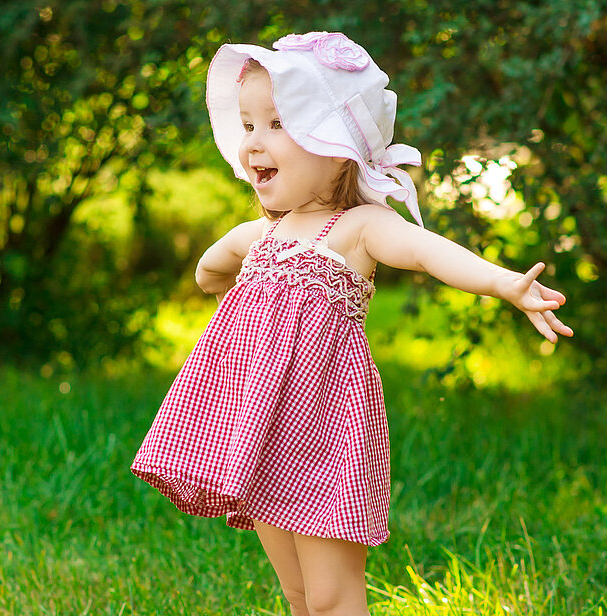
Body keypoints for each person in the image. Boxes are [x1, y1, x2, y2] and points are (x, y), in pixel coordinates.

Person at [130, 31, 573, 616]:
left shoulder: (358, 227)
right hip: (259, 432)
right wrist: (228, 293)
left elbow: (425, 251)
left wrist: (501, 282)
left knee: (334, 597)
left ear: (334, 144)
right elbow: (210, 270)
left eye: (277, 124)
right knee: (297, 594)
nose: (253, 143)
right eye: (248, 126)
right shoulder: (261, 235)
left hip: (323, 435)